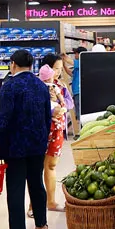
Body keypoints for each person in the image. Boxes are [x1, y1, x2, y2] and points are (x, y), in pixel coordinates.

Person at [0, 49, 52, 229]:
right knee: (37, 183)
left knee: (16, 188)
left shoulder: (10, 86)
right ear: (31, 65)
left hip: (15, 146)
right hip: (37, 144)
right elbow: (47, 117)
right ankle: (41, 224)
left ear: (12, 64)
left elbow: (3, 119)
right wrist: (43, 138)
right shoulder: (41, 85)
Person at [33, 60, 67, 213]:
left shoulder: (59, 86)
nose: (58, 72)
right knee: (37, 167)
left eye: (60, 69)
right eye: (56, 68)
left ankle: (51, 202)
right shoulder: (36, 87)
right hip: (41, 129)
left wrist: (61, 108)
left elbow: (67, 104)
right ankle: (33, 205)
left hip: (57, 130)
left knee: (51, 165)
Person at [72, 46, 86, 121]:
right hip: (76, 90)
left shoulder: (81, 62)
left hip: (79, 90)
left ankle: (81, 123)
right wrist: (63, 65)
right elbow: (71, 74)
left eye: (76, 53)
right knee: (77, 108)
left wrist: (64, 57)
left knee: (79, 108)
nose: (75, 55)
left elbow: (71, 62)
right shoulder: (77, 65)